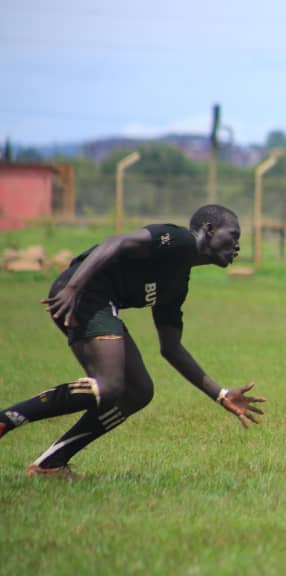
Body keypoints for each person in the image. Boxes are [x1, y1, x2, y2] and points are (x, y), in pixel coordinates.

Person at [0, 204, 265, 477]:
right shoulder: (180, 240)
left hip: (101, 302)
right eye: (233, 235)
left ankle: (50, 463)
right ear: (209, 230)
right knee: (110, 385)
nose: (237, 246)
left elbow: (171, 348)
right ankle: (7, 419)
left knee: (139, 390)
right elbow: (118, 242)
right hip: (83, 292)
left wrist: (221, 395)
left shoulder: (177, 285)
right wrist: (72, 288)